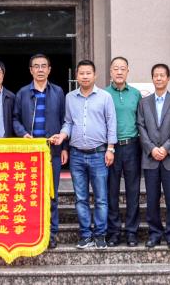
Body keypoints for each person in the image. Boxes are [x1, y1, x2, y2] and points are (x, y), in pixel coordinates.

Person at [53, 59, 117, 251]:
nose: (85, 76)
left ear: (95, 75)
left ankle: (100, 235)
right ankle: (85, 235)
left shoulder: (105, 97)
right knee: (80, 198)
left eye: (88, 73)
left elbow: (111, 123)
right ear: (77, 76)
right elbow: (68, 122)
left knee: (101, 198)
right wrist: (62, 135)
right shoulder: (70, 97)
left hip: (99, 154)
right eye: (81, 73)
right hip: (77, 155)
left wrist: (111, 148)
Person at [13, 53, 67, 249]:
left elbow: (65, 120)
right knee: (29, 194)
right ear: (31, 70)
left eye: (44, 66)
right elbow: (15, 119)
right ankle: (31, 232)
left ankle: (51, 234)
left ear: (49, 69)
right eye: (36, 66)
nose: (40, 69)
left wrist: (64, 147)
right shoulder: (22, 93)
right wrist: (22, 133)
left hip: (52, 151)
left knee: (51, 194)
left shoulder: (58, 92)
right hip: (29, 153)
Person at [136, 62, 170, 249]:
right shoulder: (144, 103)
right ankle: (154, 234)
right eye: (155, 75)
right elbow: (140, 126)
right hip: (150, 159)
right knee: (152, 199)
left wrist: (166, 148)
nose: (158, 78)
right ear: (152, 78)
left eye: (162, 75)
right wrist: (151, 148)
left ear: (168, 78)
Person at [105, 56, 142, 247]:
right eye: (116, 68)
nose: (119, 72)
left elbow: (142, 121)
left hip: (132, 146)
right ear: (110, 71)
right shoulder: (103, 94)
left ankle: (131, 232)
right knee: (111, 191)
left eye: (123, 68)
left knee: (133, 191)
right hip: (111, 148)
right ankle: (113, 232)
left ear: (128, 71)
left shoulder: (136, 94)